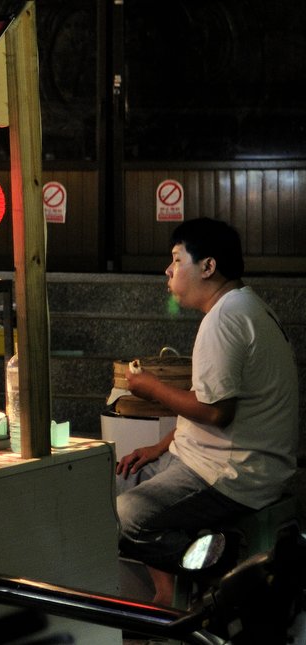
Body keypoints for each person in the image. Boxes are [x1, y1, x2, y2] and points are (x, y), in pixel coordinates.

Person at [116, 217, 299, 606]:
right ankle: (168, 594)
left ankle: (225, 568)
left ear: (208, 266)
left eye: (177, 259)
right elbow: (214, 402)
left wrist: (152, 388)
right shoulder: (244, 306)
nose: (168, 271)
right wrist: (160, 446)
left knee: (129, 514)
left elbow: (217, 413)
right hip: (219, 460)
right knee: (123, 478)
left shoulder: (225, 318)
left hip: (234, 474)